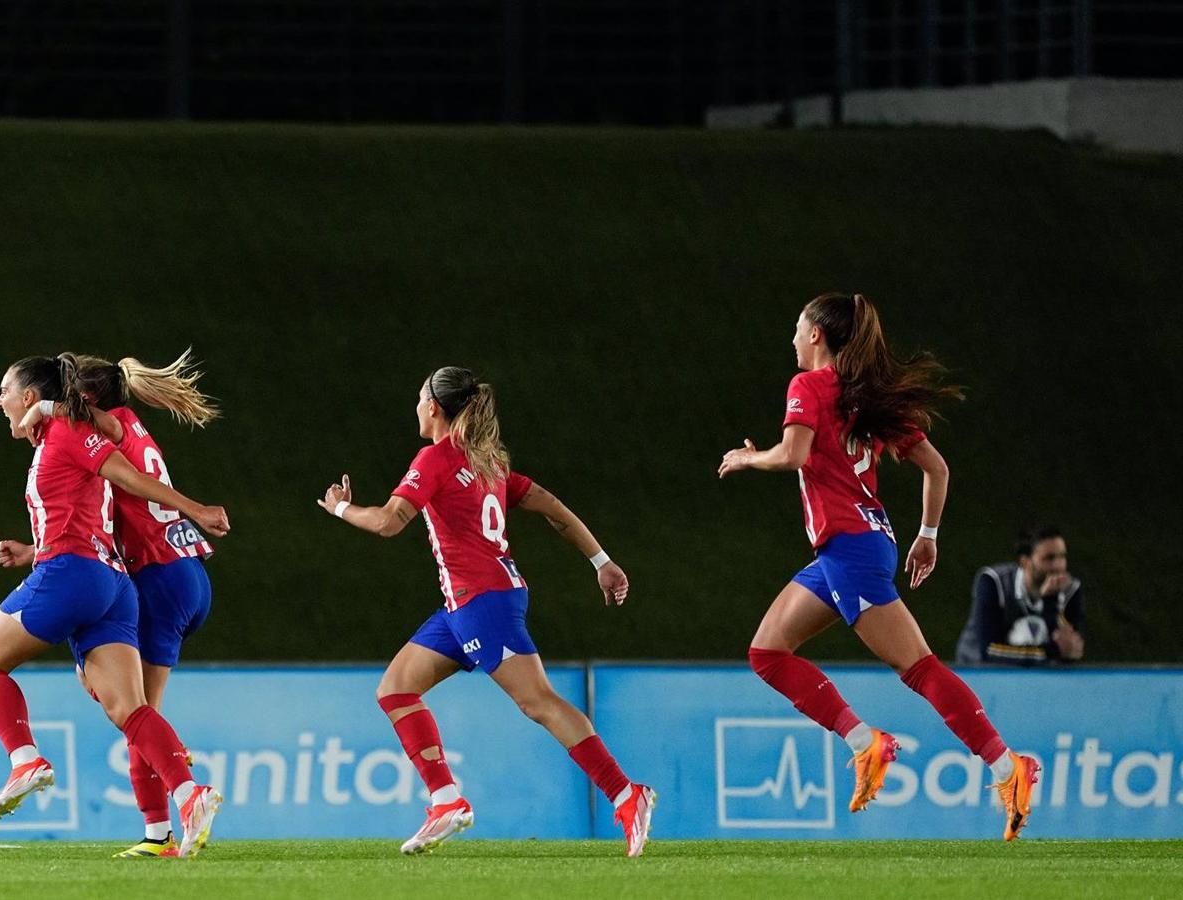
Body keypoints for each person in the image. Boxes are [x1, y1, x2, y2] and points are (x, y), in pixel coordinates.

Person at [717, 292, 1040, 842]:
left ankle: (1009, 768)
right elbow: (936, 468)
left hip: (852, 552)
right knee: (767, 652)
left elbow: (793, 455)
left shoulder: (811, 387)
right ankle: (865, 742)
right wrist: (928, 536)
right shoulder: (864, 396)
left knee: (920, 669)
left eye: (798, 328)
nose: (793, 337)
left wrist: (750, 457)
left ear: (817, 334)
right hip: (855, 548)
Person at [317, 367, 656, 858]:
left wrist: (340, 510)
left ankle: (627, 794)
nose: (415, 407)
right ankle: (446, 801)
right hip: (466, 606)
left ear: (434, 407)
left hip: (484, 602)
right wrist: (601, 561)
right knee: (395, 689)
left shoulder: (436, 459)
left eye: (419, 398)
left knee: (538, 702)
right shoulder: (488, 462)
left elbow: (390, 522)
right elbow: (554, 508)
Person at [0, 353, 227, 858]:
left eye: (6, 390)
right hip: (118, 581)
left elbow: (126, 473)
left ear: (31, 396)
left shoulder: (68, 430)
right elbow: (96, 487)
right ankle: (189, 795)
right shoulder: (73, 432)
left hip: (87, 574)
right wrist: (31, 549)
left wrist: (197, 508)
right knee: (129, 709)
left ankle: (25, 760)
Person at [956, 526, 1086, 666]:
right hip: (980, 672)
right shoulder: (994, 582)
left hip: (1036, 678)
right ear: (1025, 561)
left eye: (1062, 556)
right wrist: (1050, 652)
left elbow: (1070, 651)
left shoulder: (1071, 590)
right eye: (1049, 558)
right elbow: (989, 651)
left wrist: (1050, 602)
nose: (1058, 566)